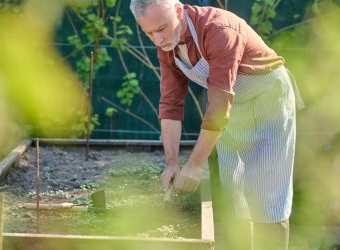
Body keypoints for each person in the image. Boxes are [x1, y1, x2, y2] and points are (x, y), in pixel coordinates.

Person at [130, 0, 304, 249]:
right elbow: (170, 103)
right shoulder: (167, 44)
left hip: (268, 101)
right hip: (232, 111)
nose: (158, 40)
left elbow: (220, 104)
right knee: (236, 198)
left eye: (161, 28)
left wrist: (194, 165)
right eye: (149, 33)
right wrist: (171, 163)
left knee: (269, 200)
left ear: (178, 11)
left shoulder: (218, 29)